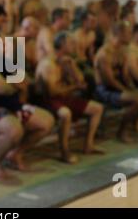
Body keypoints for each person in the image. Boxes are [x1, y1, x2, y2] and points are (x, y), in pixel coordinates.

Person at [0, 32, 55, 180]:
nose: (8, 47)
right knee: (14, 130)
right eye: (4, 44)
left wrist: (16, 84)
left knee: (47, 121)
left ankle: (15, 154)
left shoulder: (5, 62)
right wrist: (16, 85)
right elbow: (1, 88)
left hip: (12, 105)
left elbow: (26, 81)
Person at [36, 32, 105, 164]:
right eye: (71, 43)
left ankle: (88, 145)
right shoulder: (48, 64)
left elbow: (81, 82)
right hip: (48, 100)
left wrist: (72, 67)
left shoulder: (67, 61)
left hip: (64, 96)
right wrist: (74, 87)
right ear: (62, 45)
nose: (75, 46)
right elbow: (52, 92)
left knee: (97, 108)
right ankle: (64, 151)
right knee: (65, 114)